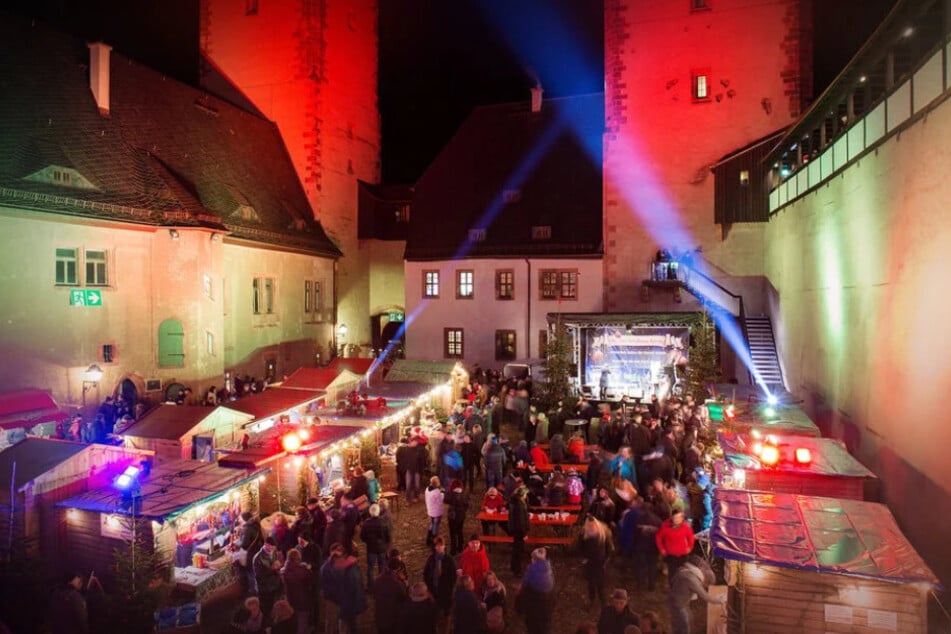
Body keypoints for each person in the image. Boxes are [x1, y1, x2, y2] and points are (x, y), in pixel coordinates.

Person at [668, 555, 725, 634]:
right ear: (705, 579)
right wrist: (720, 601)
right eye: (705, 585)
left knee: (689, 619)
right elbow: (704, 595)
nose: (704, 586)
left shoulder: (690, 572)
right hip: (678, 605)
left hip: (680, 603)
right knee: (684, 627)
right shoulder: (691, 579)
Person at [320, 542, 367, 634]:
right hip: (333, 599)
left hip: (343, 599)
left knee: (344, 622)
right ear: (331, 552)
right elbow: (326, 584)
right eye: (336, 551)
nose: (338, 553)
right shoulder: (327, 567)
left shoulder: (346, 565)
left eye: (340, 551)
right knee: (332, 622)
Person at [515, 548, 555, 634]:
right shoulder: (549, 569)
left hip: (534, 604)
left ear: (534, 559)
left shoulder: (531, 569)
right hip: (547, 604)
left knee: (533, 625)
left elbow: (524, 584)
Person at [577, 516, 614, 609]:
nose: (591, 526)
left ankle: (603, 602)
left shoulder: (603, 534)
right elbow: (580, 548)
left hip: (600, 564)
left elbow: (609, 548)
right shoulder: (584, 534)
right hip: (589, 564)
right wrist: (583, 558)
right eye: (589, 525)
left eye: (593, 525)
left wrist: (606, 560)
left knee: (600, 584)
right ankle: (591, 600)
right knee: (591, 583)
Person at [655, 508, 695, 584]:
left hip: (683, 555)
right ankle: (673, 589)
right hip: (671, 555)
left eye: (679, 517)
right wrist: (662, 549)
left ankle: (682, 589)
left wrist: (690, 547)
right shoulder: (665, 526)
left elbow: (691, 537)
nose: (677, 520)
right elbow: (658, 537)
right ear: (672, 517)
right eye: (675, 517)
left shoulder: (686, 527)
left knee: (683, 573)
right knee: (672, 574)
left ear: (682, 518)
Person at [423, 536, 457, 624]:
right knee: (435, 611)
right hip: (434, 590)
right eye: (437, 545)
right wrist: (428, 587)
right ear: (435, 547)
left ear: (444, 546)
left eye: (441, 545)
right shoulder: (431, 559)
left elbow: (453, 576)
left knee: (446, 613)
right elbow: (426, 573)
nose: (439, 547)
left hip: (446, 591)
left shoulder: (449, 559)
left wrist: (450, 588)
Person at [373, 558, 409, 634]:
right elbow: (404, 597)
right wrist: (404, 581)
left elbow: (374, 595)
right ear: (398, 569)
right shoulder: (398, 584)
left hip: (380, 616)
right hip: (393, 618)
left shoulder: (377, 579)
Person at [280, 548, 312, 634]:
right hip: (302, 600)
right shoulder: (303, 570)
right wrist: (308, 569)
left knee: (292, 624)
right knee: (302, 624)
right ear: (298, 558)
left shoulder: (284, 571)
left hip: (290, 601)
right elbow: (310, 582)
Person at [360, 503, 391, 588]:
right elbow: (388, 536)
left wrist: (368, 542)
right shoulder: (383, 522)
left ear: (370, 512)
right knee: (382, 566)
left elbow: (362, 537)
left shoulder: (366, 523)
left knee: (370, 567)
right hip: (382, 548)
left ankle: (370, 585)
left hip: (371, 549)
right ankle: (381, 584)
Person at [252, 537, 284, 616]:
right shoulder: (257, 558)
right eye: (272, 547)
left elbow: (275, 564)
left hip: (274, 585)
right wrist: (271, 569)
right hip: (264, 588)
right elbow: (258, 576)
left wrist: (279, 567)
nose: (273, 549)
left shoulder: (273, 552)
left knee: (273, 605)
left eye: (274, 548)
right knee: (266, 609)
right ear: (266, 544)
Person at [507, 486, 530, 575]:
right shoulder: (519, 505)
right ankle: (517, 570)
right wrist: (524, 534)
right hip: (519, 531)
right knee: (519, 551)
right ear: (522, 495)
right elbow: (520, 521)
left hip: (516, 530)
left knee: (516, 549)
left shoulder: (515, 502)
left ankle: (514, 568)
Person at [445, 478, 469, 555]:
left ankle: (453, 549)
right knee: (460, 531)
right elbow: (467, 505)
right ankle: (460, 547)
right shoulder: (464, 495)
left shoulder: (451, 494)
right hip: (461, 516)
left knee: (452, 533)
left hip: (452, 516)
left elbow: (445, 500)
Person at [425, 476, 445, 546]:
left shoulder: (427, 489)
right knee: (435, 527)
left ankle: (428, 540)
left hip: (430, 510)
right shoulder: (437, 492)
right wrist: (442, 493)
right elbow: (440, 501)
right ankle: (434, 542)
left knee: (432, 524)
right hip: (436, 512)